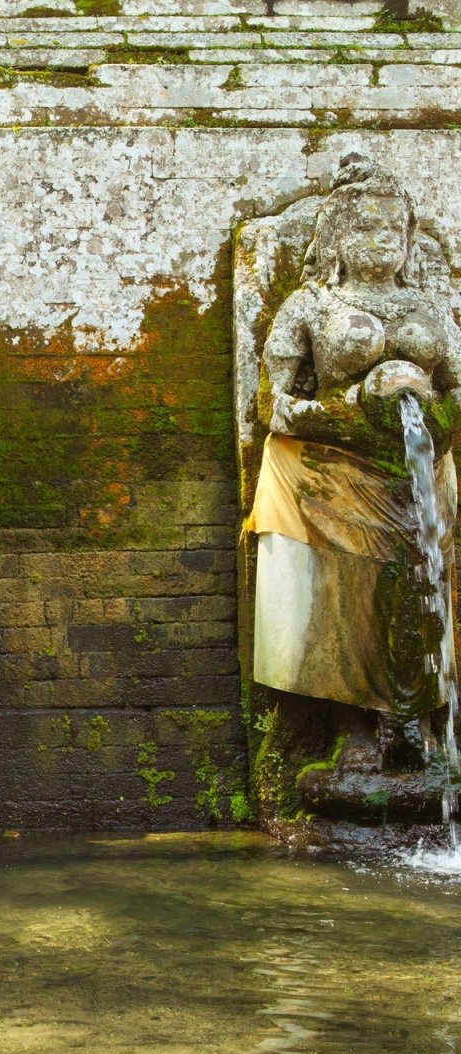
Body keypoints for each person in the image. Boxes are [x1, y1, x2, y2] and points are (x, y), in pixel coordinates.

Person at [249, 153, 461, 769]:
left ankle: (420, 720)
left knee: (424, 583)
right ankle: (353, 723)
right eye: (368, 229)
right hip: (337, 477)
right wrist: (347, 414)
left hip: (419, 478)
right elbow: (272, 404)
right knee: (352, 589)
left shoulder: (427, 306)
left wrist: (442, 419)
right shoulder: (311, 305)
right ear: (339, 237)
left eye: (394, 230)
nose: (384, 242)